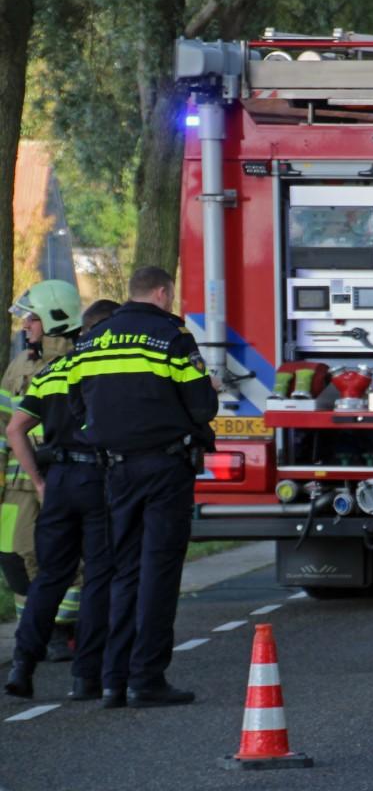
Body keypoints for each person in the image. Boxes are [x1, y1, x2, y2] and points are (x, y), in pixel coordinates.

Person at [69, 267, 218, 708]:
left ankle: (112, 681)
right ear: (162, 292)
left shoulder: (92, 339)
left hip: (115, 469)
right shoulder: (171, 337)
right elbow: (202, 405)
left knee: (123, 570)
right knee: (159, 570)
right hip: (164, 467)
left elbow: (77, 404)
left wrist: (104, 434)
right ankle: (146, 678)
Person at [4, 299, 122, 700]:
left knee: (50, 577)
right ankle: (86, 676)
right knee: (98, 577)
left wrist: (38, 481)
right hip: (98, 479)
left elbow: (15, 429)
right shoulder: (109, 370)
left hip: (58, 483)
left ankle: (22, 666)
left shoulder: (52, 371)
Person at [0, 280, 86, 661]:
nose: (25, 326)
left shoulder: (79, 362)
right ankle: (36, 627)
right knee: (14, 556)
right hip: (17, 486)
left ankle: (66, 628)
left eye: (32, 319)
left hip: (61, 478)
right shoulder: (20, 365)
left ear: (55, 319)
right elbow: (4, 424)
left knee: (66, 556)